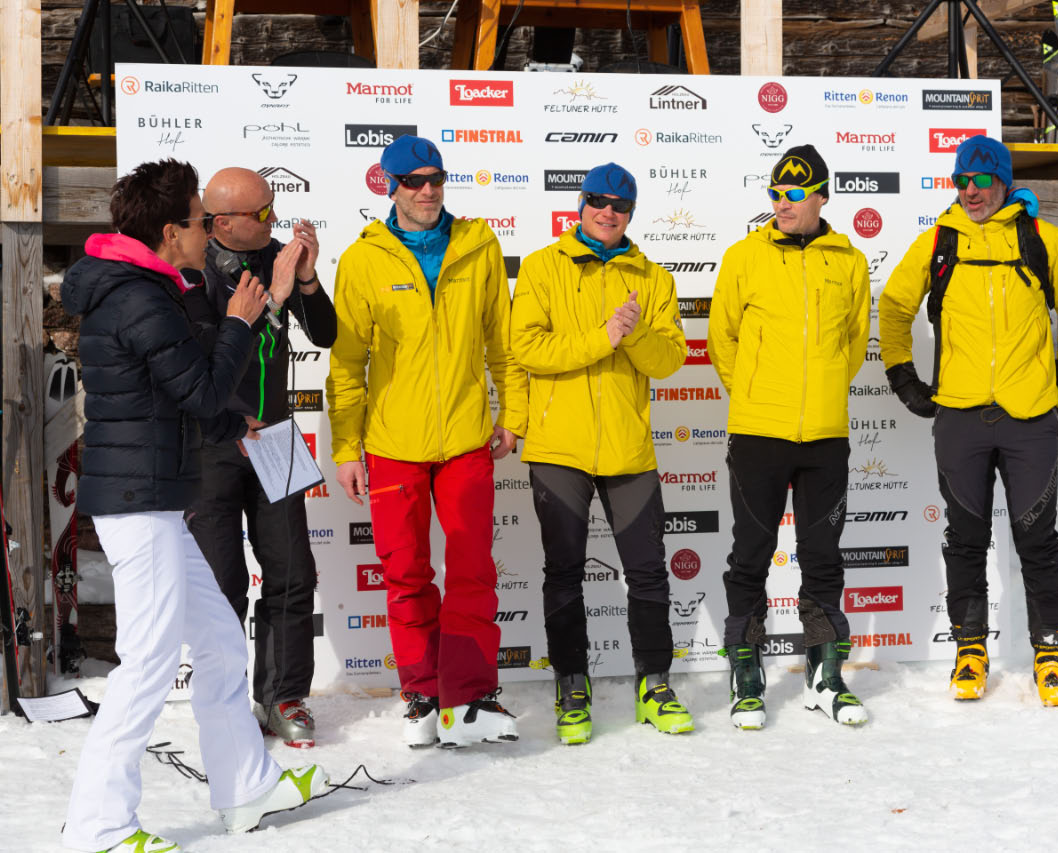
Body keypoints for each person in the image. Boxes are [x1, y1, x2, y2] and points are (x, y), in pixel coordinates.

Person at [59, 160, 326, 853]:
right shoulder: (138, 297)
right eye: (202, 221)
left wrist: (237, 420)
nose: (211, 231)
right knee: (147, 662)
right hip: (140, 501)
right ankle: (99, 826)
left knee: (217, 641)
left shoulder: (148, 288)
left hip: (156, 496)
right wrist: (241, 321)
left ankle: (245, 786)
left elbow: (182, 390)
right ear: (170, 230)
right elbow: (204, 390)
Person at [878, 135, 1058, 707]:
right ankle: (969, 650)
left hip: (1029, 416)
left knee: (1037, 539)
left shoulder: (1040, 238)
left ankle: (1050, 653)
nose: (970, 192)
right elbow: (894, 306)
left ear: (1002, 181)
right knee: (965, 538)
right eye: (961, 181)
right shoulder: (939, 241)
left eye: (980, 180)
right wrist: (902, 373)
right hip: (961, 416)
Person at [326, 135, 528, 748]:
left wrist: (513, 413)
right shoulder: (363, 259)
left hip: (466, 438)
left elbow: (502, 342)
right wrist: (346, 449)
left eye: (436, 178)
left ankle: (469, 698)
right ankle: (422, 694)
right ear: (389, 186)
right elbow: (346, 364)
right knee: (406, 573)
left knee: (472, 570)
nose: (427, 190)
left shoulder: (478, 245)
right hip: (393, 445)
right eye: (413, 181)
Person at [510, 162, 693, 744]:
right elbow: (527, 348)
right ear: (581, 204)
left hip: (628, 449)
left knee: (648, 572)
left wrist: (634, 333)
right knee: (563, 572)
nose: (607, 212)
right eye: (598, 201)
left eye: (620, 205)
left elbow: (669, 361)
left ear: (631, 213)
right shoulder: (542, 266)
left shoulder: (653, 277)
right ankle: (572, 684)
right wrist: (604, 337)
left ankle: (655, 684)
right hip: (558, 447)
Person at [708, 145, 872, 730]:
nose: (783, 203)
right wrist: (756, 396)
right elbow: (722, 340)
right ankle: (745, 672)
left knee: (823, 558)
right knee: (750, 555)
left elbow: (853, 343)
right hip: (758, 433)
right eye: (776, 193)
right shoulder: (743, 257)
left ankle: (824, 674)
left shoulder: (849, 262)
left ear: (821, 196)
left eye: (795, 194)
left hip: (825, 435)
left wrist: (820, 392)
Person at [185, 166, 337, 749]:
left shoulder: (277, 256)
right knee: (222, 584)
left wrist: (306, 281)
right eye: (263, 212)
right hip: (213, 442)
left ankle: (283, 696)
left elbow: (325, 335)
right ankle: (224, 702)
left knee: (293, 572)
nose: (275, 219)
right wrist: (272, 296)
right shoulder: (193, 270)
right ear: (222, 223)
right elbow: (211, 356)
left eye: (274, 206)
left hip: (277, 437)